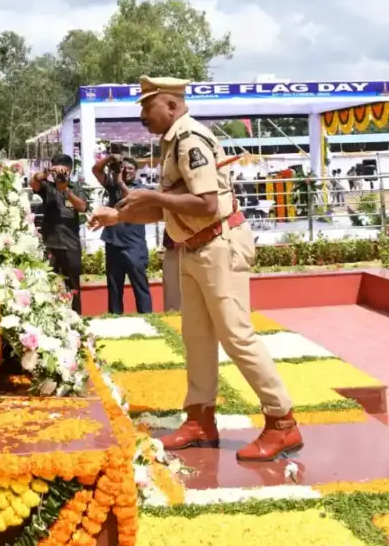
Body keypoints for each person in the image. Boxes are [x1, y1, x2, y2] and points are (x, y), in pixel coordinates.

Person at [90, 76, 303, 463]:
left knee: (237, 336)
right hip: (195, 248)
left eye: (146, 106)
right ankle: (200, 420)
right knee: (197, 337)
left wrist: (148, 197)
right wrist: (117, 215)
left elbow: (205, 203)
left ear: (170, 105)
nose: (141, 114)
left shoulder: (190, 139)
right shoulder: (173, 141)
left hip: (218, 246)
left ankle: (282, 423)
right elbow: (169, 206)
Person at [92, 154, 153, 314]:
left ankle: (147, 316)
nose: (126, 172)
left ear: (136, 172)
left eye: (131, 169)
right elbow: (96, 170)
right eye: (124, 168)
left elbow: (133, 201)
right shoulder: (113, 186)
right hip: (113, 243)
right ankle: (114, 318)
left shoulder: (143, 189)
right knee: (114, 287)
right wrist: (110, 158)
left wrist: (119, 181)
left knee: (140, 285)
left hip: (134, 245)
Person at [31, 154, 88, 314]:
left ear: (70, 170)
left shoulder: (76, 187)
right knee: (47, 283)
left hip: (70, 244)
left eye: (64, 168)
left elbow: (83, 207)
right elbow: (33, 182)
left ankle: (76, 317)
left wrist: (66, 190)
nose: (62, 173)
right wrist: (48, 171)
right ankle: (50, 317)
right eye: (58, 168)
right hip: (50, 244)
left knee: (73, 285)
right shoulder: (48, 187)